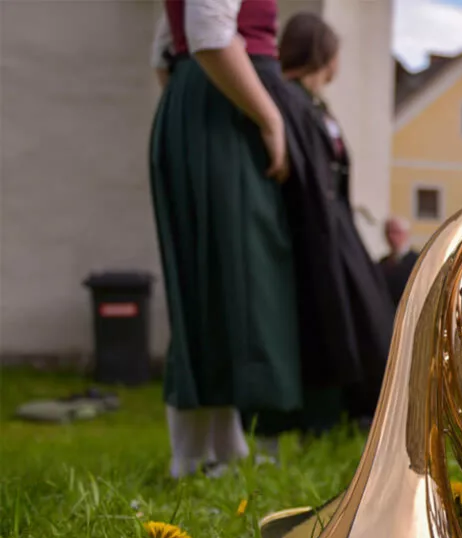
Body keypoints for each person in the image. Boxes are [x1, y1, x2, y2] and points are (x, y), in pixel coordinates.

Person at [149, 0, 301, 478]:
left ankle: (216, 449)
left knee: (213, 278)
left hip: (205, 102)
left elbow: (164, 51)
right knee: (230, 277)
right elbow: (209, 34)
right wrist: (270, 118)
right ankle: (201, 456)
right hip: (222, 108)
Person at [258, 11, 394, 437]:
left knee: (369, 314)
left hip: (338, 225)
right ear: (324, 53)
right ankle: (335, 417)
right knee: (342, 316)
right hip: (319, 228)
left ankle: (365, 413)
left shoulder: (316, 105)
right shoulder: (290, 99)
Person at [378, 217, 419, 306]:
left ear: (406, 234)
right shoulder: (381, 264)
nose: (391, 236)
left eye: (396, 232)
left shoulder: (418, 262)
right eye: (388, 232)